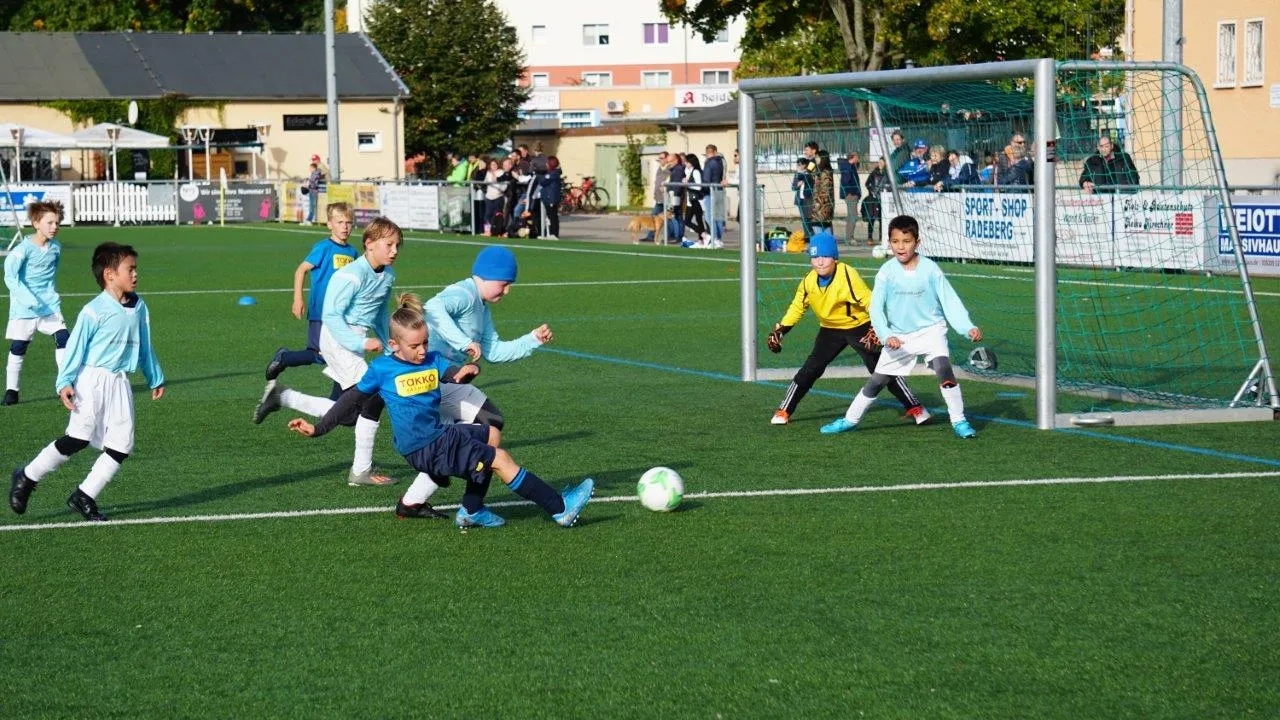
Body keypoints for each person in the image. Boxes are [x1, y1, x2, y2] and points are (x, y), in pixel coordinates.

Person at [287, 293, 592, 528]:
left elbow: (451, 373)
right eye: (415, 346)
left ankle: (472, 509)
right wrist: (318, 428)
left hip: (436, 438)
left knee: (490, 436)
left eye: (425, 343)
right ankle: (560, 508)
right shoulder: (382, 369)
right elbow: (350, 400)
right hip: (426, 446)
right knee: (499, 459)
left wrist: (465, 371)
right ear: (394, 344)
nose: (422, 350)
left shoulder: (431, 359)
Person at [9, 242, 164, 521]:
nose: (135, 274)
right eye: (130, 269)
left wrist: (155, 377)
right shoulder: (93, 310)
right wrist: (65, 382)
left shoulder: (139, 306)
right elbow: (74, 349)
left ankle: (84, 495)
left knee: (122, 445)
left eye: (135, 268)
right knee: (78, 438)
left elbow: (144, 344)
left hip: (120, 382)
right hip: (92, 380)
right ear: (110, 274)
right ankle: (27, 476)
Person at [397, 245, 553, 510]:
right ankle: (472, 507)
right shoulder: (465, 293)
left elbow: (494, 351)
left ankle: (413, 503)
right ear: (487, 276)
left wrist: (532, 339)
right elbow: (433, 307)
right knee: (489, 424)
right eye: (504, 283)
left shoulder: (482, 309)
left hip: (444, 382)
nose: (507, 290)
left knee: (453, 442)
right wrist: (464, 342)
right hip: (429, 381)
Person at [254, 217, 403, 486]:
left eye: (397, 246)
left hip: (355, 339)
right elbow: (332, 317)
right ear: (369, 244)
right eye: (389, 244)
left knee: (351, 414)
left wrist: (389, 344)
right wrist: (359, 343)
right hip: (337, 338)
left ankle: (283, 397)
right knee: (372, 397)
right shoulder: (350, 275)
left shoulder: (388, 275)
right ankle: (360, 471)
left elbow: (380, 312)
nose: (394, 251)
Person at [821, 214, 982, 439]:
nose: (901, 247)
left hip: (931, 330)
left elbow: (950, 301)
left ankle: (959, 420)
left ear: (917, 242)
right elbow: (876, 309)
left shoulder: (931, 269)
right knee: (877, 381)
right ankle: (849, 420)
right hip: (899, 336)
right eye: (895, 241)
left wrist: (967, 327)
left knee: (943, 368)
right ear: (889, 242)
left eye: (906, 241)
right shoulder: (886, 272)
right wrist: (886, 335)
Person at [766, 231, 928, 426]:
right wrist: (781, 329)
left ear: (834, 258)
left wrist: (878, 328)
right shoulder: (809, 281)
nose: (820, 262)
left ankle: (915, 407)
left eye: (825, 256)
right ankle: (784, 410)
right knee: (811, 368)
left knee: (881, 368)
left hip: (859, 327)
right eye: (815, 257)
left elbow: (869, 301)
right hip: (830, 329)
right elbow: (797, 307)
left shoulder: (847, 275)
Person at [263, 203, 360, 386]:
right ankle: (284, 358)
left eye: (348, 223)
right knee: (320, 354)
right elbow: (301, 270)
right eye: (340, 222)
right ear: (329, 224)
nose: (345, 227)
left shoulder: (352, 252)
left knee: (342, 355)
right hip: (321, 311)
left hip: (341, 313)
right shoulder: (323, 248)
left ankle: (340, 399)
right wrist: (298, 299)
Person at [4, 200, 69, 406]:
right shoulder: (22, 249)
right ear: (35, 223)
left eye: (57, 223)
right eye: (50, 223)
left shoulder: (56, 248)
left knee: (64, 338)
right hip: (25, 307)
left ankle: (64, 385)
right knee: (19, 346)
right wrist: (27, 298)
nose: (54, 227)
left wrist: (51, 295)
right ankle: (11, 391)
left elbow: (51, 274)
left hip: (49, 305)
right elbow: (10, 276)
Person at [642, 150, 670, 243]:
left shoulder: (669, 168)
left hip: (666, 198)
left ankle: (670, 237)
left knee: (668, 219)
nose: (660, 160)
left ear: (667, 158)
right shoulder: (659, 169)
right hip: (658, 198)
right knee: (653, 217)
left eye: (662, 158)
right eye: (659, 158)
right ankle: (651, 236)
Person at [681, 154, 708, 247]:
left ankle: (703, 236)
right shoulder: (688, 170)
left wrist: (688, 183)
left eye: (686, 162)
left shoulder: (696, 171)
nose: (685, 163)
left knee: (695, 220)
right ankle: (702, 238)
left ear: (691, 162)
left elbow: (699, 186)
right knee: (693, 220)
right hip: (691, 200)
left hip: (696, 200)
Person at [861, 158, 889, 244]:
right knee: (871, 218)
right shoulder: (874, 173)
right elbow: (867, 184)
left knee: (882, 219)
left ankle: (881, 238)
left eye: (882, 162)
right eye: (879, 162)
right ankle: (870, 238)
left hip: (883, 198)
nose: (880, 164)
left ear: (885, 163)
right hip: (873, 199)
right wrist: (871, 191)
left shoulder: (888, 174)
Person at [702, 145, 726, 248]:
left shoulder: (709, 162)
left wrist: (703, 190)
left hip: (710, 191)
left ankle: (715, 238)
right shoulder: (721, 161)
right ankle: (719, 239)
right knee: (719, 216)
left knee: (710, 217)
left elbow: (706, 179)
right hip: (719, 190)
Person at [838, 151, 862, 245]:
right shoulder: (847, 167)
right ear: (853, 157)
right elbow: (846, 181)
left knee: (851, 216)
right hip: (851, 195)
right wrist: (851, 193)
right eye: (857, 157)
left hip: (853, 194)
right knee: (853, 216)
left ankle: (849, 237)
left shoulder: (850, 166)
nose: (858, 159)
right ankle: (849, 238)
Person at [809, 151, 835, 234]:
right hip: (822, 205)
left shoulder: (825, 173)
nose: (816, 159)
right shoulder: (821, 171)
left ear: (822, 159)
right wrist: (812, 162)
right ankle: (827, 240)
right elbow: (809, 171)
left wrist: (818, 203)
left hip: (822, 206)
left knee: (817, 224)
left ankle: (822, 241)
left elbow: (825, 191)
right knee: (824, 225)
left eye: (817, 157)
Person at [540, 156, 562, 239]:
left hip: (551, 199)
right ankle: (550, 233)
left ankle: (554, 234)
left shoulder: (553, 174)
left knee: (553, 217)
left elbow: (542, 182)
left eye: (547, 162)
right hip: (548, 198)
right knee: (550, 216)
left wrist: (541, 176)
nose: (546, 164)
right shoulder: (552, 173)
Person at [791, 157, 814, 239]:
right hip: (800, 200)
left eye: (799, 164)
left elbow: (813, 186)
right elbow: (793, 187)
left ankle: (811, 234)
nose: (797, 166)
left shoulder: (810, 174)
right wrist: (798, 185)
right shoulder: (797, 174)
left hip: (808, 199)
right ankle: (807, 235)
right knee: (804, 219)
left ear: (804, 165)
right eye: (797, 164)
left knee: (809, 218)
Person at [303, 156, 323, 225]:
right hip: (311, 190)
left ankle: (309, 220)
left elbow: (314, 183)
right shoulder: (313, 174)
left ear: (313, 168)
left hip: (314, 191)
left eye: (310, 168)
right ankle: (308, 219)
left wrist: (309, 181)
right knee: (311, 205)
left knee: (312, 205)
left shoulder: (316, 173)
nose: (309, 169)